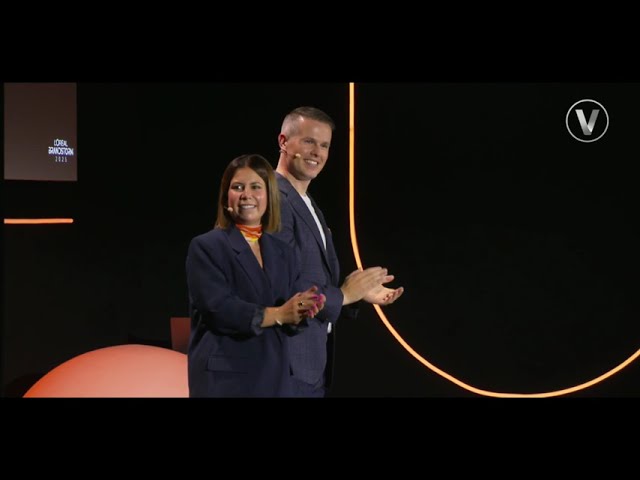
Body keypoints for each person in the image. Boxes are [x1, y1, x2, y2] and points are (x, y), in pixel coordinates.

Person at [274, 106, 404, 397]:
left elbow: (309, 277)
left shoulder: (308, 204)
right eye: (309, 141)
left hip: (308, 366)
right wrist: (343, 294)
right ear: (283, 141)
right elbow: (281, 284)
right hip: (283, 367)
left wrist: (356, 292)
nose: (317, 153)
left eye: (324, 145)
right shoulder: (273, 200)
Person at [186, 153, 326, 397]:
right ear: (226, 197)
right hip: (226, 380)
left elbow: (287, 312)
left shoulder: (283, 252)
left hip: (275, 379)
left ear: (269, 196)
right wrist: (280, 314)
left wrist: (302, 310)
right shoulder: (206, 247)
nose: (246, 195)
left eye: (256, 187)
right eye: (238, 187)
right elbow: (219, 309)